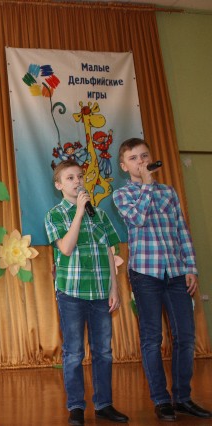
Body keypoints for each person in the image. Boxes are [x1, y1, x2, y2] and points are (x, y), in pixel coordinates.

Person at [113, 138, 211, 421]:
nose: (141, 162)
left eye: (144, 156)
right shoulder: (122, 194)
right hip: (146, 274)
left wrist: (190, 267)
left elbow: (182, 230)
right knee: (152, 338)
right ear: (124, 166)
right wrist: (146, 184)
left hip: (176, 272)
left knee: (186, 336)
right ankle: (160, 399)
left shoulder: (168, 192)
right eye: (134, 158)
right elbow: (137, 219)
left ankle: (182, 397)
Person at [44, 160, 129, 425]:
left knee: (103, 351)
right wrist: (79, 212)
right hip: (71, 292)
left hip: (100, 292)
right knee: (74, 352)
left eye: (79, 176)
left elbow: (109, 252)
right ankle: (76, 406)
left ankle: (104, 404)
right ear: (59, 185)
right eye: (70, 178)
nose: (77, 181)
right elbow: (66, 248)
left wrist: (114, 287)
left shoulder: (100, 215)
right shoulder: (55, 215)